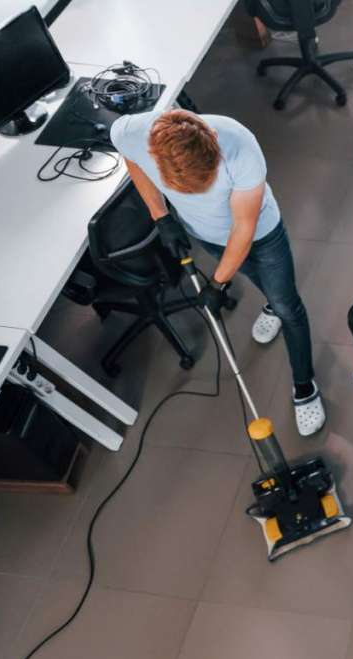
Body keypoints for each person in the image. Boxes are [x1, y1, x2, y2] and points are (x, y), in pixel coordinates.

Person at [110, 109, 326, 436]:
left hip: (262, 235)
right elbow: (132, 160)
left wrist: (217, 284)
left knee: (288, 306)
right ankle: (270, 302)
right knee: (258, 281)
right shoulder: (130, 132)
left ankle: (304, 384)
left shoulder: (239, 146)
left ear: (213, 145)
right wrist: (160, 214)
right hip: (206, 234)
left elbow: (244, 228)